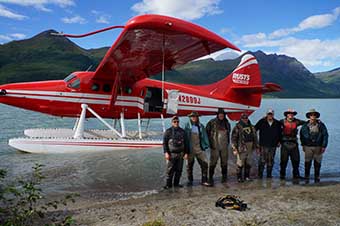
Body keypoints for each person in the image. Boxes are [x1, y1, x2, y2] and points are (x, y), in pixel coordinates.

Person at [300, 109, 328, 183]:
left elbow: (325, 135)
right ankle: (307, 177)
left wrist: (324, 146)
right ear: (309, 116)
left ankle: (317, 177)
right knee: (307, 162)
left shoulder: (321, 125)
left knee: (317, 163)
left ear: (316, 116)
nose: (313, 116)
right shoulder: (305, 125)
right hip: (308, 147)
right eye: (311, 115)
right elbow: (301, 136)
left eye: (314, 115)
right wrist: (302, 145)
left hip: (318, 147)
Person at [231, 113, 259, 182]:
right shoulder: (237, 127)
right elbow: (233, 138)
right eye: (243, 118)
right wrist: (234, 148)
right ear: (241, 119)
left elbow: (255, 137)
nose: (245, 119)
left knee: (249, 162)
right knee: (240, 162)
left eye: (246, 118)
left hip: (250, 146)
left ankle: (247, 176)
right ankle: (239, 177)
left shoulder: (252, 126)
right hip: (241, 146)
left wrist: (257, 147)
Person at [184, 111, 210, 186]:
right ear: (190, 118)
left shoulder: (201, 126)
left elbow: (204, 137)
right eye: (192, 116)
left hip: (199, 148)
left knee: (205, 164)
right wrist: (185, 151)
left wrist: (206, 145)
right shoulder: (187, 126)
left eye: (195, 116)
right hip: (190, 150)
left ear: (197, 117)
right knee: (189, 166)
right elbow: (185, 139)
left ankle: (204, 180)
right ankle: (190, 181)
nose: (194, 118)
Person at [206, 108, 231, 185]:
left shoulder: (227, 123)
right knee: (213, 162)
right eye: (220, 114)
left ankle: (224, 177)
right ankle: (210, 177)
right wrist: (209, 144)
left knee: (224, 162)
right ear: (217, 115)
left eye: (222, 114)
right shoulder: (211, 122)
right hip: (215, 146)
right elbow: (206, 133)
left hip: (224, 146)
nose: (221, 115)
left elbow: (228, 132)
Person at [255, 108, 282, 178]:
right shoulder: (261, 121)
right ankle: (260, 175)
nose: (270, 115)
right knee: (262, 161)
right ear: (266, 115)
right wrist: (256, 144)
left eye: (271, 114)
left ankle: (269, 175)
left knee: (271, 161)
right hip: (263, 145)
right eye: (269, 114)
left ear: (273, 115)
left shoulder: (277, 123)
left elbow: (280, 133)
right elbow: (254, 129)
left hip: (273, 145)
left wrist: (279, 141)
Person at [163, 116, 188, 189]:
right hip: (171, 154)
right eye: (174, 122)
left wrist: (186, 153)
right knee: (170, 170)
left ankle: (176, 184)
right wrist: (166, 153)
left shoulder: (182, 131)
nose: (176, 123)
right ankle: (168, 185)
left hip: (181, 154)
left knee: (179, 170)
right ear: (172, 122)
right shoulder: (168, 131)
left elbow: (186, 143)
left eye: (177, 121)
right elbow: (164, 143)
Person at [280, 108, 305, 180]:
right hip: (285, 144)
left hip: (294, 144)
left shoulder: (297, 121)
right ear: (286, 115)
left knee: (296, 160)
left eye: (292, 113)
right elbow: (273, 123)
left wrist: (316, 120)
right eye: (289, 113)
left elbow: (306, 123)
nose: (291, 115)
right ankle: (282, 176)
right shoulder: (281, 121)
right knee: (284, 161)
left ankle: (296, 175)